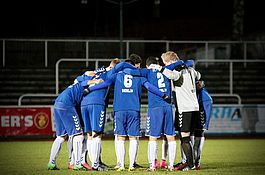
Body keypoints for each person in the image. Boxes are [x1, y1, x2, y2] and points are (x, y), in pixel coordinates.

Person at [83, 54, 169, 171]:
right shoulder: (139, 76)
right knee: (133, 138)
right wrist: (163, 95)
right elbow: (149, 87)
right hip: (134, 109)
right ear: (135, 65)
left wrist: (89, 89)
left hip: (119, 109)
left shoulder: (117, 74)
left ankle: (122, 165)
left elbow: (104, 83)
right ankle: (132, 165)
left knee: (120, 137)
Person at [123, 56, 183, 171]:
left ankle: (152, 166)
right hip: (168, 106)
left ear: (147, 65)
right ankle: (170, 166)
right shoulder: (165, 69)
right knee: (170, 137)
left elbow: (129, 71)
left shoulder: (147, 71)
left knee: (153, 138)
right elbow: (181, 62)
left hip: (155, 107)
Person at [151, 51, 201, 171]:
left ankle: (190, 165)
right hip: (194, 106)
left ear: (171, 62)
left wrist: (160, 68)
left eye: (166, 63)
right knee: (188, 136)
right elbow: (198, 76)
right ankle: (189, 162)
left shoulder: (178, 69)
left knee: (184, 137)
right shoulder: (190, 69)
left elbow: (174, 76)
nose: (165, 65)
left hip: (185, 108)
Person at [47, 76, 101, 171]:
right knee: (79, 135)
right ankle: (77, 163)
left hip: (57, 104)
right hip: (67, 105)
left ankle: (51, 163)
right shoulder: (82, 85)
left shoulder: (73, 86)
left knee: (61, 136)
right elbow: (85, 83)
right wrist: (96, 81)